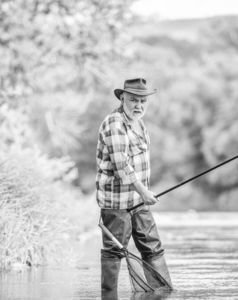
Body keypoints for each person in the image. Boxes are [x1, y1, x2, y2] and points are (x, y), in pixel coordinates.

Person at [96, 78, 172, 292]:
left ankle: (162, 293)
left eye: (142, 101)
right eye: (133, 100)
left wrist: (143, 194)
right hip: (116, 202)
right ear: (122, 98)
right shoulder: (114, 123)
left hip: (138, 200)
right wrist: (144, 191)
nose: (138, 105)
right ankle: (108, 296)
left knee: (153, 246)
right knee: (114, 250)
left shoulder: (138, 122)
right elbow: (122, 166)